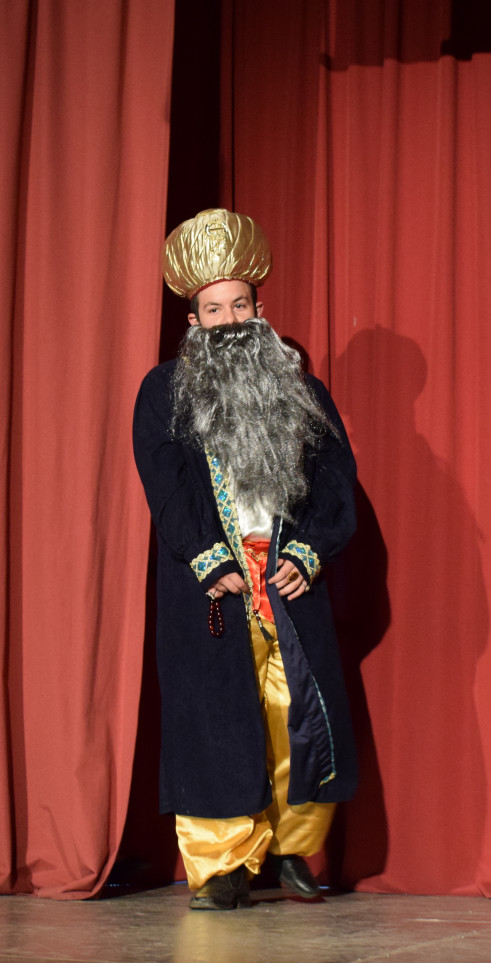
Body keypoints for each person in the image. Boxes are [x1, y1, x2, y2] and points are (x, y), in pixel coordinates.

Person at [132, 209, 359, 910]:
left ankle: (292, 850)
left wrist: (309, 551)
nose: (228, 321)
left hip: (287, 579)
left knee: (297, 714)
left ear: (260, 312)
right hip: (211, 587)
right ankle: (223, 866)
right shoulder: (164, 391)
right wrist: (205, 556)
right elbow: (166, 486)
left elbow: (336, 483)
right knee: (216, 717)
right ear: (193, 321)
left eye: (239, 306)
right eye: (214, 310)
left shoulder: (302, 393)